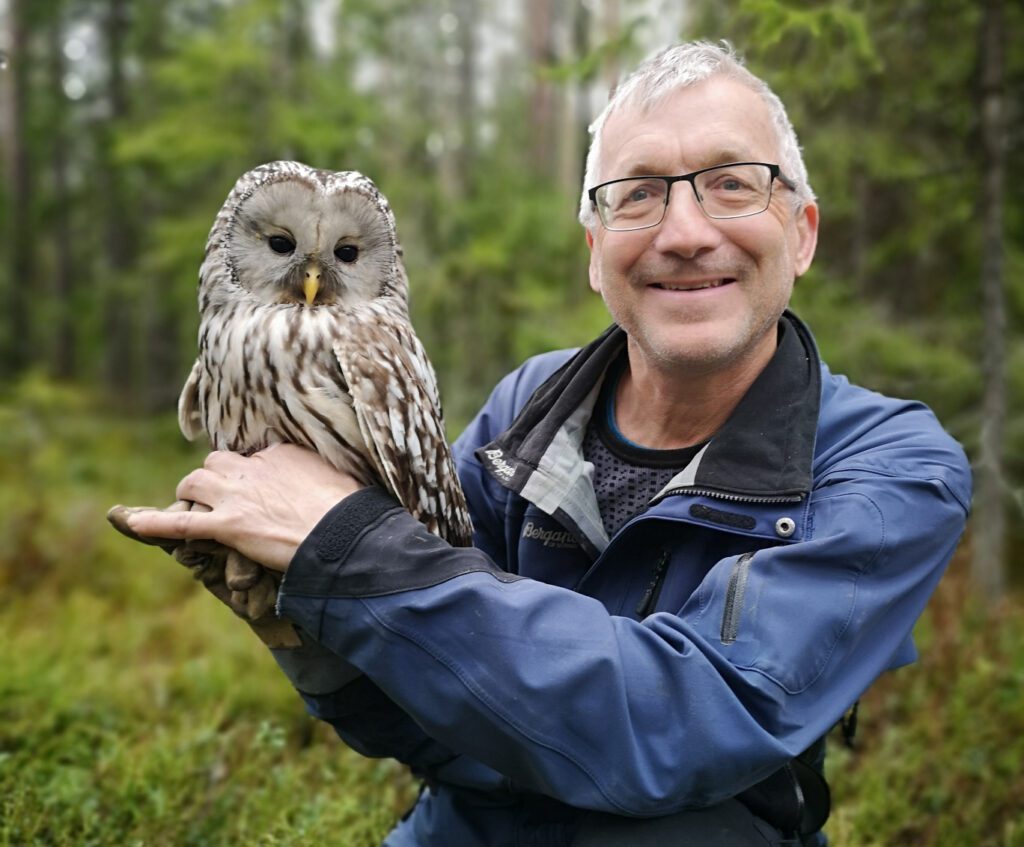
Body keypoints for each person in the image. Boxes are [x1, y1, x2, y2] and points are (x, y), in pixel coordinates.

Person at [124, 42, 972, 846]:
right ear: (595, 253)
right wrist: (312, 636)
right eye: (637, 194)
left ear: (804, 233)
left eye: (733, 184)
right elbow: (425, 719)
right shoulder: (527, 409)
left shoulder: (890, 466)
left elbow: (681, 726)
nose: (683, 231)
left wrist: (349, 551)